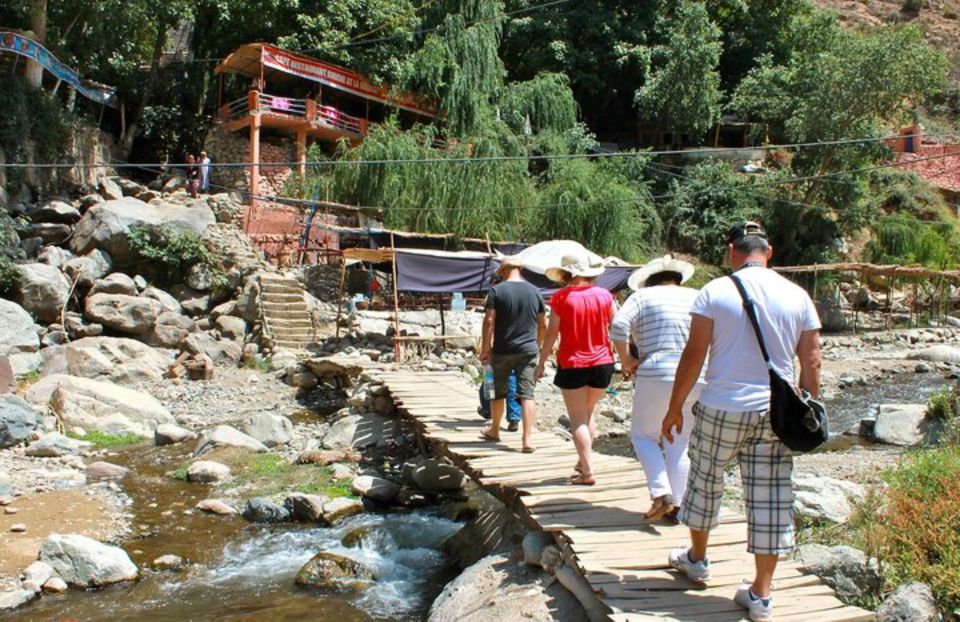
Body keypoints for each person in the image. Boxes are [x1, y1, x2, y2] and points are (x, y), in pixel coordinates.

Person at [661, 222, 822, 622]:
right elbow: (812, 359)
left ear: (732, 251)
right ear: (769, 253)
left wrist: (675, 406)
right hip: (777, 413)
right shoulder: (798, 295)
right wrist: (809, 407)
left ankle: (697, 560)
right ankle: (761, 596)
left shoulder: (714, 292)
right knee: (770, 497)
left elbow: (694, 354)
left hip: (722, 407)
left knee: (705, 482)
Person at [611, 254, 704, 521]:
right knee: (679, 440)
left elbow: (618, 325)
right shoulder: (697, 296)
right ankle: (679, 506)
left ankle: (661, 492)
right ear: (678, 279)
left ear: (648, 282)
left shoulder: (642, 297)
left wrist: (627, 360)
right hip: (698, 375)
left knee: (644, 435)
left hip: (657, 372)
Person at [535, 252, 616, 485]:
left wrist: (541, 362)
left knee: (578, 419)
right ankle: (582, 463)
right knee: (589, 413)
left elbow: (552, 332)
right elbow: (617, 326)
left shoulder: (561, 297)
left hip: (572, 363)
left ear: (566, 274)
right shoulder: (604, 296)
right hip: (602, 363)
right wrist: (625, 358)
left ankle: (588, 471)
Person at [480, 256, 547, 453]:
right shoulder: (535, 292)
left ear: (503, 271)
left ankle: (494, 430)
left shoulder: (496, 291)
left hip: (502, 350)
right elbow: (543, 324)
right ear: (521, 270)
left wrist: (485, 348)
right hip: (528, 351)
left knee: (496, 392)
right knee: (527, 394)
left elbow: (489, 322)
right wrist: (537, 345)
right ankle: (527, 440)